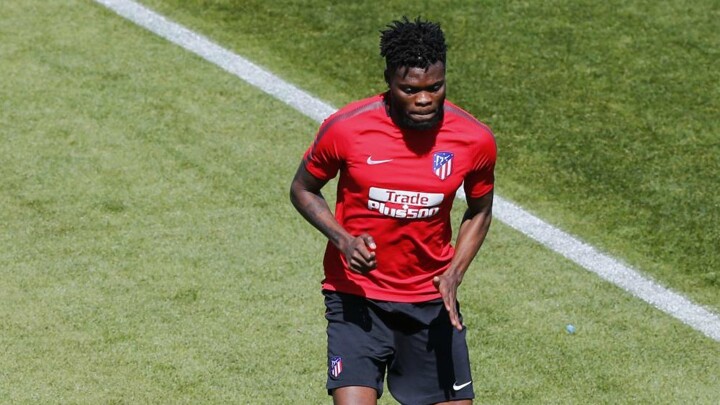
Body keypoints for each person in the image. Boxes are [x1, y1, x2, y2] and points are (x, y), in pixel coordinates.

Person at [290, 16, 496, 405]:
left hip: (430, 300)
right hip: (356, 296)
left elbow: (480, 210)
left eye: (435, 87)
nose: (424, 99)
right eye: (410, 89)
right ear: (389, 80)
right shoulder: (347, 129)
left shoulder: (473, 139)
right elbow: (303, 188)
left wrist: (455, 272)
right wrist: (344, 241)